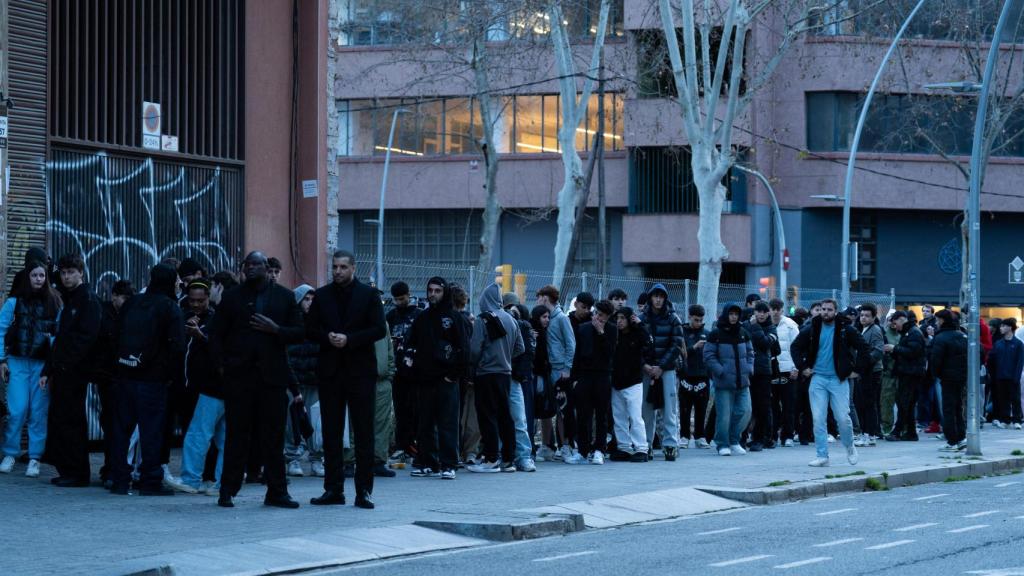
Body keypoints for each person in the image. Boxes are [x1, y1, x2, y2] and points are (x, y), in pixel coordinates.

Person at [209, 251, 305, 509]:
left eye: (256, 265)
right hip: (239, 377)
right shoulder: (232, 298)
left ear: (266, 267)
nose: (250, 269)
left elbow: (299, 332)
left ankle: (277, 491)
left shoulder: (285, 297)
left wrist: (277, 330)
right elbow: (216, 334)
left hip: (272, 378)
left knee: (273, 438)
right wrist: (222, 366)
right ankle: (227, 490)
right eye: (247, 265)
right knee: (237, 436)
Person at [305, 251, 387, 509]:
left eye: (342, 267)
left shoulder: (369, 295)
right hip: (331, 372)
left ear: (353, 268)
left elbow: (378, 329)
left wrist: (350, 340)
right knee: (331, 432)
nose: (337, 271)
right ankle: (333, 489)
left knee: (363, 433)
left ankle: (363, 490)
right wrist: (327, 337)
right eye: (335, 267)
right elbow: (310, 328)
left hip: (360, 371)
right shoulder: (322, 295)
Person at [108, 264, 186, 495]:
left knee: (121, 432)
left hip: (124, 376)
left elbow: (116, 337)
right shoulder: (170, 308)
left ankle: (119, 479)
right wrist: (175, 379)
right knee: (152, 432)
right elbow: (178, 347)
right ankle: (150, 481)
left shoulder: (132, 303)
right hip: (153, 380)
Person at [41, 254, 102, 487]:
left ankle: (77, 473)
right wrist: (50, 368)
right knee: (62, 419)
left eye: (71, 272)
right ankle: (69, 469)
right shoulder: (71, 299)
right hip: (64, 369)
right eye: (64, 273)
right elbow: (62, 339)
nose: (66, 277)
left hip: (74, 371)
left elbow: (86, 339)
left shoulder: (87, 299)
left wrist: (65, 363)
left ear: (81, 273)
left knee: (72, 421)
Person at [791, 299, 871, 467]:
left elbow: (864, 348)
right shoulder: (812, 328)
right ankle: (822, 456)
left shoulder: (845, 330)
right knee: (818, 419)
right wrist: (803, 367)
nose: (825, 312)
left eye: (829, 309)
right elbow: (795, 347)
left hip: (838, 379)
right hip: (818, 378)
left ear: (835, 311)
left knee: (843, 418)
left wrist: (857, 370)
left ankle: (850, 447)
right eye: (822, 309)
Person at [0, 260, 62, 477]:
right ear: (28, 277)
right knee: (17, 410)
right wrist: (1, 360)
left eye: (42, 276)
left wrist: (52, 363)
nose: (38, 279)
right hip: (17, 362)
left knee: (38, 412)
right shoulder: (14, 302)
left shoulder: (54, 302)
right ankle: (10, 453)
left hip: (41, 366)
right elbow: (0, 329)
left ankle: (35, 457)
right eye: (34, 275)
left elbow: (59, 334)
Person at [407, 277, 471, 480]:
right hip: (425, 380)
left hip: (446, 380)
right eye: (430, 290)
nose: (432, 294)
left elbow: (464, 349)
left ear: (444, 293)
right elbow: (411, 344)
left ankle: (449, 464)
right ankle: (428, 462)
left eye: (437, 290)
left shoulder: (454, 318)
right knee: (425, 423)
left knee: (448, 423)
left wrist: (453, 376)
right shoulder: (422, 318)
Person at [166, 280, 226, 494]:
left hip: (211, 388)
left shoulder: (217, 319)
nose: (197, 305)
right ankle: (219, 482)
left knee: (198, 435)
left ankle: (193, 479)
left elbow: (218, 348)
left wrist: (201, 336)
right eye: (192, 300)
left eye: (201, 300)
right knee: (219, 437)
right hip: (203, 388)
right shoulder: (184, 317)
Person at [467, 284, 525, 472]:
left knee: (486, 415)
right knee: (504, 415)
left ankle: (491, 458)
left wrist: (475, 365)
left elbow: (475, 349)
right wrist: (505, 357)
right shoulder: (511, 319)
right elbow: (520, 348)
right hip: (505, 374)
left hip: (486, 373)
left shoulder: (483, 320)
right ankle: (508, 459)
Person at [92, 279, 135, 487]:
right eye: (122, 298)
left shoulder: (127, 313)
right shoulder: (104, 313)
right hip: (108, 375)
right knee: (111, 423)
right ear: (114, 296)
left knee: (117, 424)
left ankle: (113, 468)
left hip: (120, 375)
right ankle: (111, 468)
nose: (124, 302)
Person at [568, 299, 617, 465]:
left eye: (601, 316)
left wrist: (601, 332)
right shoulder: (583, 328)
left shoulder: (611, 330)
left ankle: (599, 450)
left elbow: (610, 354)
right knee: (583, 415)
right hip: (585, 376)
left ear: (608, 317)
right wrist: (574, 379)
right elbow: (577, 355)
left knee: (601, 415)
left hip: (603, 376)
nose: (597, 318)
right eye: (596, 313)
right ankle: (582, 450)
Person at [640, 284, 683, 461]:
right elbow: (636, 345)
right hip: (647, 370)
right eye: (655, 296)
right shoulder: (642, 319)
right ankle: (646, 445)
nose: (658, 299)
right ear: (650, 298)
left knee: (669, 409)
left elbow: (676, 345)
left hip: (667, 370)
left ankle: (670, 445)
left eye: (661, 296)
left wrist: (661, 367)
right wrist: (646, 366)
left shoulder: (674, 319)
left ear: (665, 298)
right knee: (646, 409)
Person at [704, 303, 754, 456]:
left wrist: (749, 368)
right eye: (731, 314)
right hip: (724, 382)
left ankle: (734, 440)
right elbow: (708, 355)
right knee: (724, 415)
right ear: (726, 314)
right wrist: (720, 371)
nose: (734, 317)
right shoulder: (715, 334)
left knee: (745, 411)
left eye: (736, 314)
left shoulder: (744, 333)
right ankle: (723, 444)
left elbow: (751, 352)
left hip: (743, 381)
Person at [285, 284, 323, 478]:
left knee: (316, 422)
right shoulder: (291, 321)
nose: (309, 303)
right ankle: (292, 459)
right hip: (295, 380)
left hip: (315, 379)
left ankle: (316, 459)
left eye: (312, 299)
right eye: (305, 299)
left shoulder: (320, 321)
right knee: (293, 421)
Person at [535, 285, 576, 461]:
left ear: (545, 298)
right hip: (548, 369)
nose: (537, 300)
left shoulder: (561, 319)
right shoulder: (546, 319)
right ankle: (547, 446)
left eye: (539, 297)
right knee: (546, 409)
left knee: (563, 409)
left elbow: (571, 344)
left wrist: (566, 368)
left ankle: (566, 446)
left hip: (560, 370)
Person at [385, 281, 422, 464]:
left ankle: (413, 445)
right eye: (397, 299)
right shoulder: (391, 316)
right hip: (398, 371)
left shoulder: (418, 315)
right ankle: (402, 445)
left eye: (402, 298)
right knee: (401, 410)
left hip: (415, 371)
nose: (400, 302)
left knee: (415, 408)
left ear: (409, 295)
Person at [610, 307, 651, 462]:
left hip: (633, 382)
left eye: (623, 318)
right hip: (617, 382)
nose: (619, 321)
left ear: (630, 319)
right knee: (619, 417)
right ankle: (624, 447)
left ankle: (641, 448)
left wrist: (640, 325)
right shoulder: (615, 335)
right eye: (617, 318)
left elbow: (649, 342)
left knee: (635, 416)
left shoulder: (638, 333)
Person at [885, 311, 927, 441]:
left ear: (902, 319)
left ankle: (898, 431)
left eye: (895, 322)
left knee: (904, 402)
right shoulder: (910, 332)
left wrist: (894, 348)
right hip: (907, 372)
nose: (895, 326)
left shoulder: (913, 333)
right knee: (906, 403)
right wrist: (893, 351)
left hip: (911, 374)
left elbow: (913, 352)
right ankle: (910, 432)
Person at [744, 301, 780, 451]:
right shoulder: (745, 325)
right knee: (745, 407)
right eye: (758, 311)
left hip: (763, 372)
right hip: (747, 370)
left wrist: (756, 327)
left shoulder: (771, 328)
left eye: (764, 312)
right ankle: (742, 437)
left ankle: (760, 438)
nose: (761, 314)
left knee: (762, 407)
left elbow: (766, 343)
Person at [931, 310, 968, 450]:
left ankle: (952, 440)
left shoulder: (941, 338)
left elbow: (935, 360)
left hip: (947, 377)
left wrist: (936, 374)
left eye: (937, 320)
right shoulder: (962, 335)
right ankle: (961, 437)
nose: (936, 323)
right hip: (961, 377)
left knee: (948, 409)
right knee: (958, 407)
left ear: (942, 320)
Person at [508, 304, 537, 472]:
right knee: (516, 418)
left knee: (519, 418)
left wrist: (519, 375)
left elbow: (526, 354)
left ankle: (523, 456)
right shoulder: (522, 327)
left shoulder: (523, 327)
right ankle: (516, 455)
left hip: (512, 377)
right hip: (508, 376)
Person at [769, 298, 800, 447]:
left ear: (782, 310)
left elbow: (797, 347)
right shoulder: (765, 325)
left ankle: (788, 435)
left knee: (789, 405)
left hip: (788, 371)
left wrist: (796, 368)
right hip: (771, 371)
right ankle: (772, 435)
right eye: (773, 308)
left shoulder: (790, 325)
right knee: (772, 405)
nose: (775, 312)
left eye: (778, 309)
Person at [680, 304, 711, 449]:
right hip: (686, 375)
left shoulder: (707, 333)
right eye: (696, 320)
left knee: (701, 408)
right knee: (685, 408)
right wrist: (694, 347)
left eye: (700, 320)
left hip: (702, 376)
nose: (698, 323)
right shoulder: (682, 332)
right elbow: (680, 352)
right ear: (689, 317)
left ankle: (700, 436)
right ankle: (684, 436)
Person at [854, 303, 885, 447]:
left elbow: (879, 351)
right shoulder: (863, 329)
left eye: (867, 316)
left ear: (873, 317)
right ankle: (867, 434)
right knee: (863, 404)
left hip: (872, 372)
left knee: (868, 404)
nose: (863, 318)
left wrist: (865, 363)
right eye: (862, 315)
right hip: (864, 372)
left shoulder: (875, 330)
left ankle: (869, 435)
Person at [987, 318, 1024, 430]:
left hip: (1013, 376)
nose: (1001, 328)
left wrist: (1016, 376)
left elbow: (1020, 362)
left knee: (1015, 399)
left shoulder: (1018, 344)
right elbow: (992, 359)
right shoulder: (998, 343)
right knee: (1003, 399)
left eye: (1003, 326)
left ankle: (1017, 420)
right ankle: (1005, 419)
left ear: (1010, 327)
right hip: (1000, 376)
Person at [531, 305, 557, 462]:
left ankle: (547, 446)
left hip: (543, 377)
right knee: (534, 411)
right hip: (535, 378)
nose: (546, 320)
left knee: (544, 411)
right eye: (543, 317)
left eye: (548, 317)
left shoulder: (544, 333)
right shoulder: (533, 333)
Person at [880, 312, 902, 436]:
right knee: (886, 401)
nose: (893, 323)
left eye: (895, 320)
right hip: (888, 372)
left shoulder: (903, 334)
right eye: (890, 320)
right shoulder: (883, 333)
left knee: (902, 402)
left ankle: (901, 427)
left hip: (901, 372)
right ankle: (887, 427)